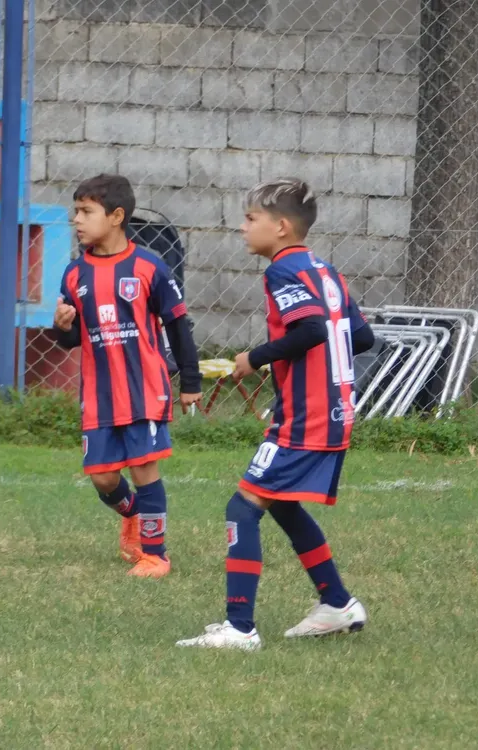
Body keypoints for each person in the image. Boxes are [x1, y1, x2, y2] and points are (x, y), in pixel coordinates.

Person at [177, 178, 376, 651]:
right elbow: (362, 337)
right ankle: (337, 603)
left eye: (251, 219)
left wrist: (255, 357)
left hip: (307, 413)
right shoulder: (325, 271)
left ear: (281, 227)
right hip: (334, 408)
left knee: (243, 505)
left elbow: (310, 330)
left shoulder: (283, 271)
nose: (243, 227)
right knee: (281, 501)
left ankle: (240, 628)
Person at [53, 174, 202, 578]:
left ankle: (156, 555)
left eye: (86, 212)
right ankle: (133, 515)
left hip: (143, 388)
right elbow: (71, 339)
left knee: (143, 469)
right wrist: (62, 326)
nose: (77, 220)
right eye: (76, 212)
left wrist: (190, 381)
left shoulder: (149, 267)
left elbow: (177, 325)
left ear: (116, 216)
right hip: (99, 394)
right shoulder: (74, 273)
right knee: (102, 477)